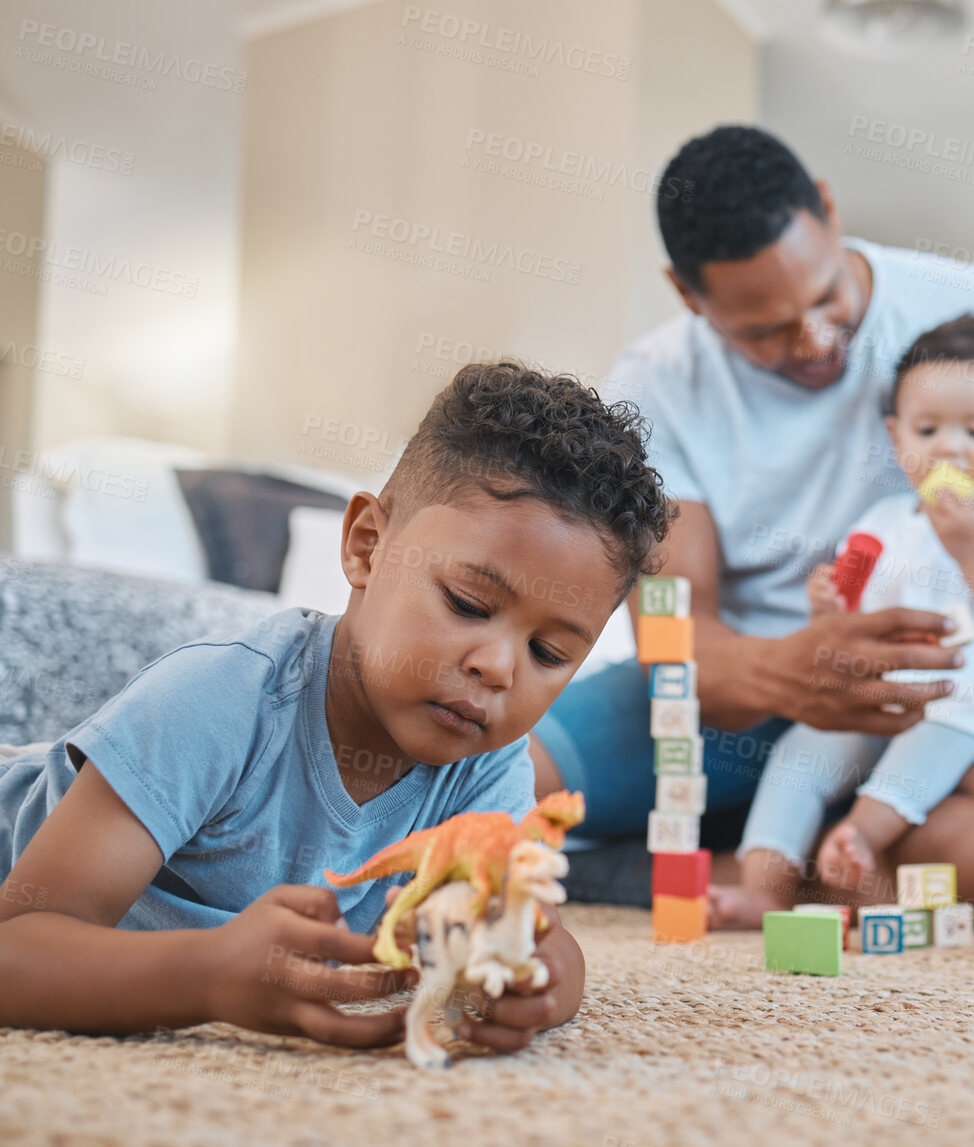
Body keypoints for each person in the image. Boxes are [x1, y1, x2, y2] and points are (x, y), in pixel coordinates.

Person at [531, 126, 974, 907]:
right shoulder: (656, 385)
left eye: (825, 295)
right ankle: (751, 860)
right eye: (763, 331)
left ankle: (716, 870)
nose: (815, 340)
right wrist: (793, 667)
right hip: (732, 699)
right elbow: (671, 632)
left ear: (828, 211)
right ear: (688, 295)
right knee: (491, 777)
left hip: (938, 714)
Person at [0, 363, 672, 1046]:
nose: (497, 667)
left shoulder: (485, 765)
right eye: (468, 604)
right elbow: (17, 950)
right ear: (367, 546)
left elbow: (534, 929)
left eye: (549, 653)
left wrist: (535, 979)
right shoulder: (219, 699)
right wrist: (204, 976)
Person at [711, 316, 974, 925]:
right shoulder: (883, 522)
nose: (949, 447)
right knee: (804, 746)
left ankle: (858, 840)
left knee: (937, 732)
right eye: (928, 429)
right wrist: (827, 609)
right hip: (888, 700)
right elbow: (850, 627)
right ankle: (764, 887)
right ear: (896, 436)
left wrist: (971, 549)